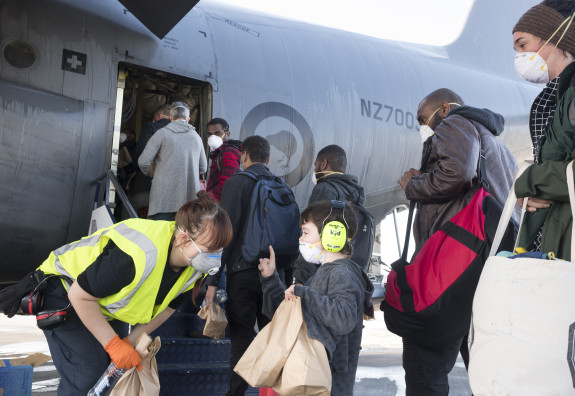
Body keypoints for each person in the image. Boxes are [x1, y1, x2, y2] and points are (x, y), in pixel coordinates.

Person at [28, 193, 232, 395]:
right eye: (210, 249)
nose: (215, 258)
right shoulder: (139, 254)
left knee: (114, 374)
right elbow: (79, 295)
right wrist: (113, 344)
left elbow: (168, 309)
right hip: (64, 291)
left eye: (220, 250)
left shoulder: (193, 267)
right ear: (184, 238)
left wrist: (130, 341)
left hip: (102, 304)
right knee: (86, 375)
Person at [398, 88, 518, 395]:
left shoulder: (454, 123)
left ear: (445, 108)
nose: (426, 127)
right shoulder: (498, 147)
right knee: (485, 365)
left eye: (425, 119)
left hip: (454, 258)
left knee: (425, 355)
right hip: (487, 263)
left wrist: (413, 183)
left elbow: (456, 174)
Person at [204, 135, 294, 396]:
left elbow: (225, 237)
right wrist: (284, 281)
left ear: (243, 157)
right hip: (273, 276)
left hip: (242, 273)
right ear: (267, 159)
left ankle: (236, 394)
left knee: (242, 337)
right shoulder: (282, 187)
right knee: (272, 337)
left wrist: (212, 280)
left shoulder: (236, 182)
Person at [258, 200, 373, 395]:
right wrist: (271, 279)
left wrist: (303, 292)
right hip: (317, 374)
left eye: (305, 232)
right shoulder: (324, 272)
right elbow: (293, 310)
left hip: (329, 381)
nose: (301, 239)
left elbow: (343, 318)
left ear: (331, 233)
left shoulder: (342, 274)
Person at [512, 0, 575, 258]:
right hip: (553, 250)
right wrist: (527, 193)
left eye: (523, 45)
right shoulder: (556, 99)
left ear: (553, 35)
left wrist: (527, 180)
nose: (519, 57)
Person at [138, 102, 207, 221]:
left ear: (170, 117)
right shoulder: (196, 137)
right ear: (188, 119)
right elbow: (203, 168)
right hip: (189, 204)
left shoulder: (161, 134)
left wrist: (150, 174)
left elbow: (143, 162)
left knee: (160, 237)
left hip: (162, 202)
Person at [129, 104, 172, 217]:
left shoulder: (151, 127)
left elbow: (141, 154)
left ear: (158, 116)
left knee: (131, 211)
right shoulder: (187, 133)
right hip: (173, 192)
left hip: (146, 185)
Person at [205, 118, 242, 201]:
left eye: (217, 133)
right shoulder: (219, 153)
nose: (212, 137)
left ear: (227, 134)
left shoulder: (228, 152)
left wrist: (207, 198)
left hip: (222, 206)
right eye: (209, 134)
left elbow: (227, 183)